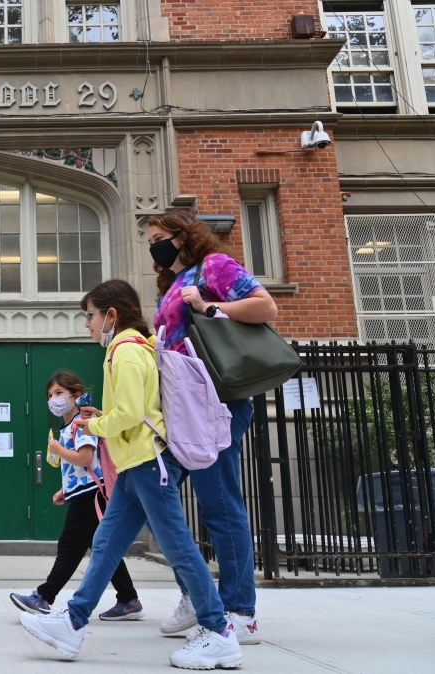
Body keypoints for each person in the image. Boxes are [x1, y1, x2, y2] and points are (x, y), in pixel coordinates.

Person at [19, 280, 242, 669]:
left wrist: (92, 427)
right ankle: (72, 623)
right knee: (105, 543)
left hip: (146, 461)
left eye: (90, 316)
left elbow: (130, 414)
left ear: (111, 315)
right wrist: (104, 420)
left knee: (178, 547)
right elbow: (132, 411)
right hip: (135, 463)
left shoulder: (123, 351)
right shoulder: (135, 348)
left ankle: (218, 632)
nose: (87, 324)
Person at [148, 209, 278, 645]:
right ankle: (197, 595)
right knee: (156, 495)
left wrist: (210, 306)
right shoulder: (172, 283)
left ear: (183, 236)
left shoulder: (213, 267)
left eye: (159, 236)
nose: (153, 245)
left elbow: (265, 306)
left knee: (219, 505)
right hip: (183, 406)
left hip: (216, 402)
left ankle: (240, 610)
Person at [9, 370, 144, 621]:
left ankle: (43, 597)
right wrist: (65, 489)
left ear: (76, 395)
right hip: (82, 492)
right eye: (50, 395)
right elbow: (80, 467)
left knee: (70, 547)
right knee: (103, 547)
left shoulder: (81, 423)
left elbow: (84, 458)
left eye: (59, 393)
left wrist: (58, 449)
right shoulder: (69, 426)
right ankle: (128, 599)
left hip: (90, 496)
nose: (54, 399)